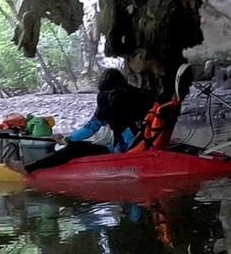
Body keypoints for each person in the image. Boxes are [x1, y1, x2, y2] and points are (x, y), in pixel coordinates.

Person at [12, 68, 154, 174]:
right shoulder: (140, 94)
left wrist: (68, 139)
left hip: (125, 152)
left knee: (75, 148)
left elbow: (92, 127)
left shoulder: (107, 98)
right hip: (145, 145)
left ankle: (29, 169)